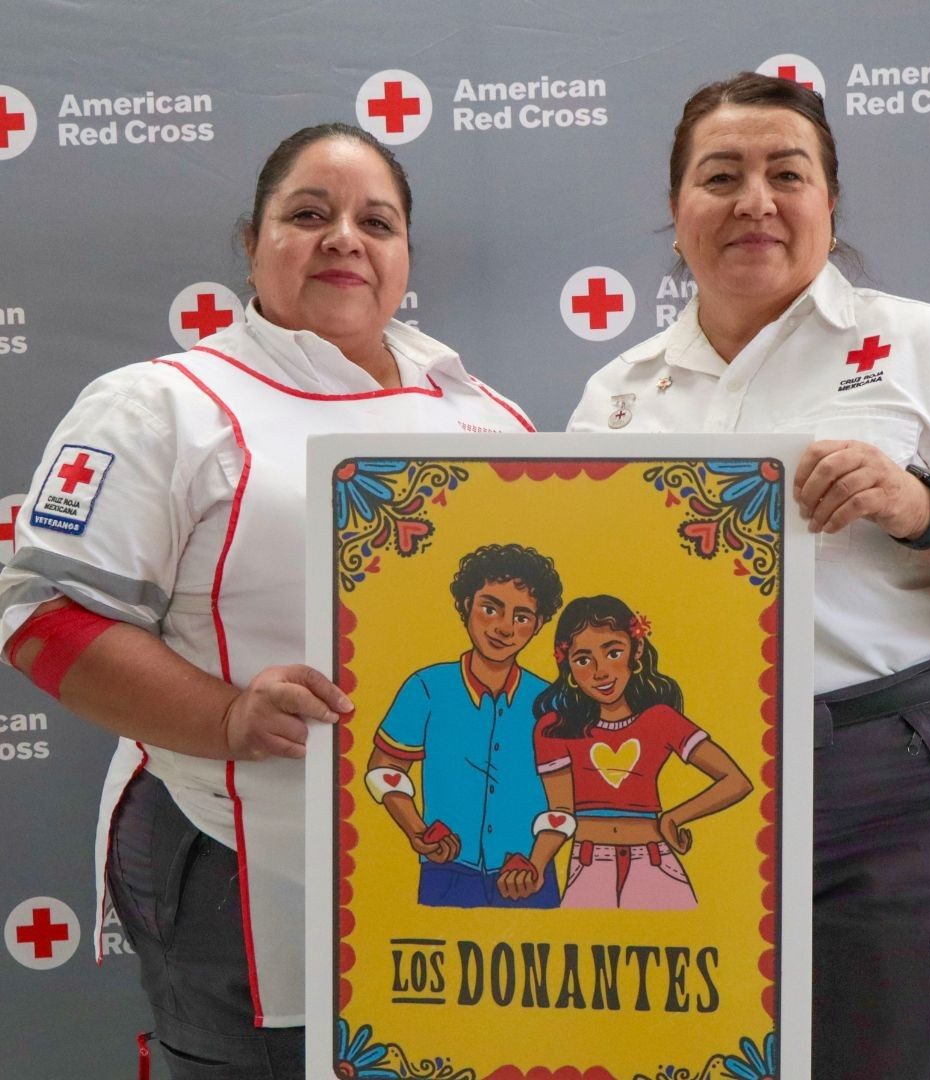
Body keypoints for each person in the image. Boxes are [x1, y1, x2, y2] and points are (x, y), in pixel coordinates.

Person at [567, 72, 930, 1079]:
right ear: (676, 216)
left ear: (828, 203)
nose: (754, 199)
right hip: (686, 792)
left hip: (900, 783)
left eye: (785, 173)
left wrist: (922, 506)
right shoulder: (615, 398)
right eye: (721, 176)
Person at [0, 122, 535, 1080]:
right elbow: (44, 619)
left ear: (406, 254)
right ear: (251, 242)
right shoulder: (163, 405)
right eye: (308, 214)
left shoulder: (487, 416)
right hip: (237, 860)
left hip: (455, 862)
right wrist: (228, 713)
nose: (344, 238)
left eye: (377, 220)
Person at [497, 594, 752, 909]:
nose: (600, 671)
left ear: (637, 650)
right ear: (568, 668)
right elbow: (561, 813)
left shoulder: (660, 720)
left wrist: (674, 816)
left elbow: (736, 780)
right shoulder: (555, 727)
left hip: (655, 860)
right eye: (583, 660)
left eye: (613, 652)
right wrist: (535, 865)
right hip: (589, 863)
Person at [367, 542, 564, 908]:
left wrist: (536, 863)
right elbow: (385, 768)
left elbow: (564, 801)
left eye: (522, 617)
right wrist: (417, 830)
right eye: (491, 608)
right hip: (446, 871)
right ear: (465, 606)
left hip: (528, 876)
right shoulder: (426, 687)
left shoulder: (549, 703)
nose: (504, 628)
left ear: (537, 626)